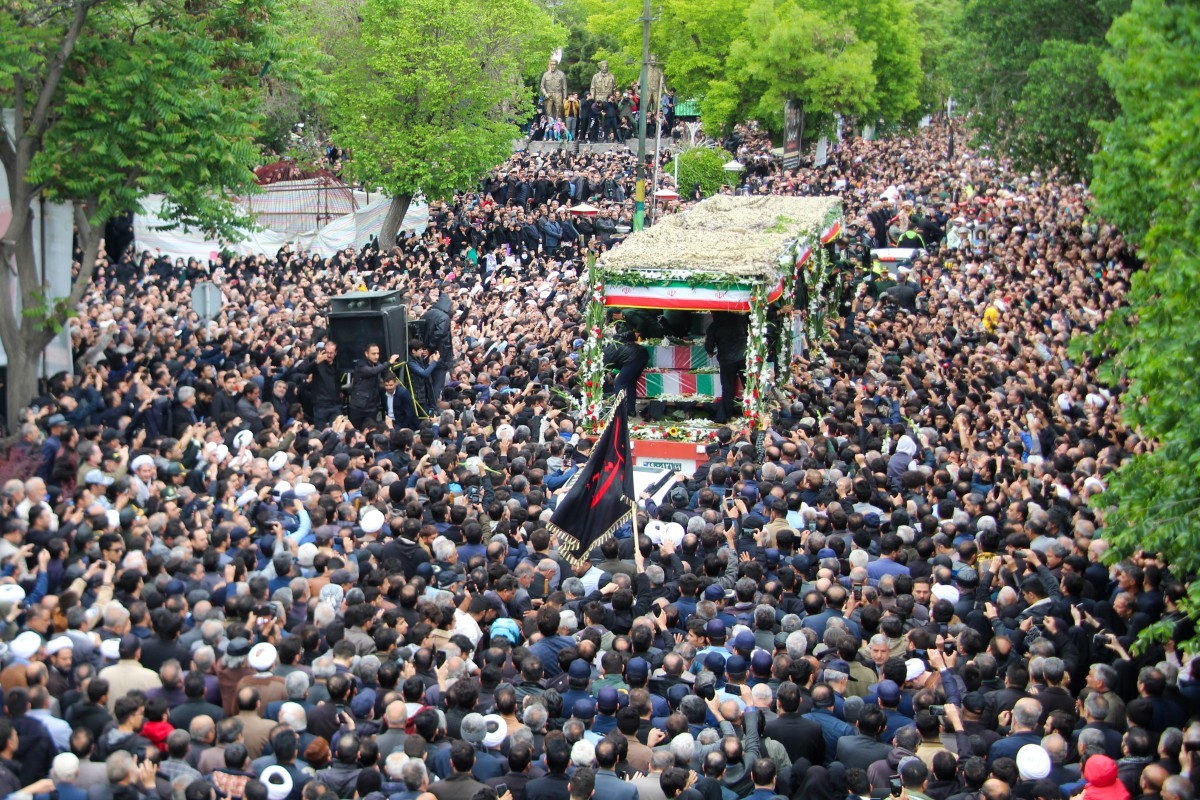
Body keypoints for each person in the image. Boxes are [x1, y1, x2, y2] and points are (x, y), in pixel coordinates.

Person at [705, 311, 748, 423]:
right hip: (743, 356)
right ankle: (751, 411)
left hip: (726, 359)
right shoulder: (739, 319)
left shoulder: (714, 326)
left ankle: (728, 416)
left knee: (728, 388)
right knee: (748, 386)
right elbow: (748, 333)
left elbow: (709, 345)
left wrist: (710, 351)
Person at [347, 343, 400, 429]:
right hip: (358, 407)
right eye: (373, 354)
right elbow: (372, 371)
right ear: (366, 354)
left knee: (372, 432)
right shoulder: (361, 365)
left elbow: (386, 374)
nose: (376, 356)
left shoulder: (377, 364)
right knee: (356, 432)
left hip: (372, 406)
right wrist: (389, 362)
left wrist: (393, 382)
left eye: (378, 353)